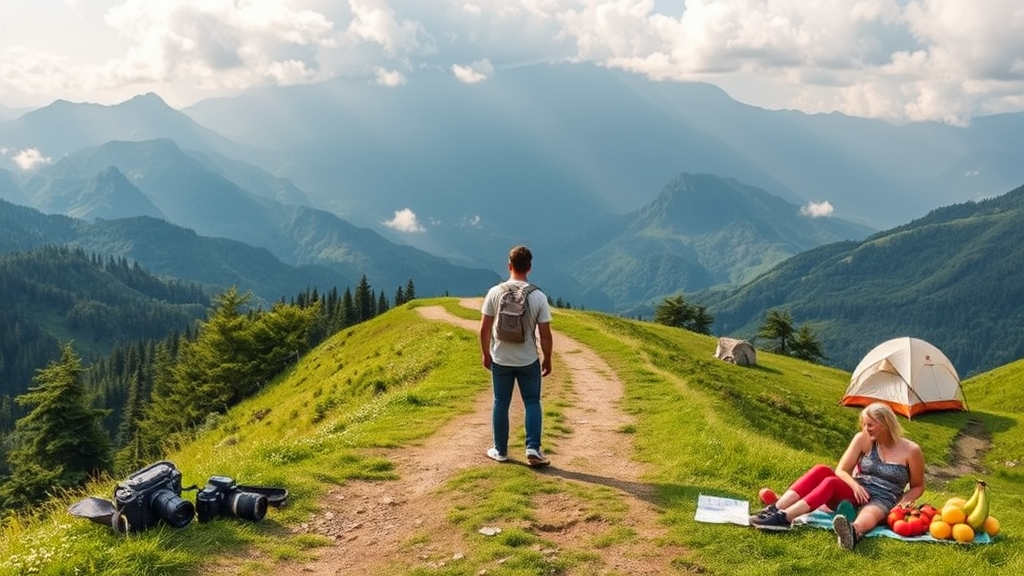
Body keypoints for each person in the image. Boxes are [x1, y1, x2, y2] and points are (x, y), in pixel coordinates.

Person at [750, 402, 925, 550]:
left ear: (885, 423)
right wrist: (855, 485)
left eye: (870, 425)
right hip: (857, 491)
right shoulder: (862, 439)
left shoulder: (911, 450)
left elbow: (918, 486)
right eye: (864, 424)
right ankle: (776, 510)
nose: (866, 429)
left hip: (884, 498)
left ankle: (852, 533)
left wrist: (901, 505)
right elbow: (841, 470)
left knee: (864, 511)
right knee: (822, 471)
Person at [479, 245, 554, 467]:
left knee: (501, 402)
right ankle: (533, 449)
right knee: (532, 401)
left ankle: (500, 450)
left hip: (500, 358)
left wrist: (486, 354)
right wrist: (547, 358)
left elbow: (484, 329)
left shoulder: (495, 292)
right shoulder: (538, 296)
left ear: (509, 266)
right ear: (529, 267)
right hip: (528, 359)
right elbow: (545, 333)